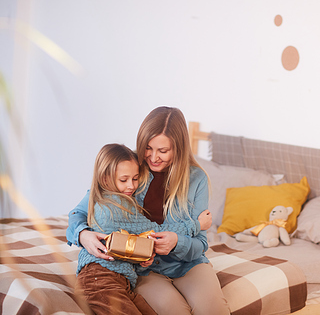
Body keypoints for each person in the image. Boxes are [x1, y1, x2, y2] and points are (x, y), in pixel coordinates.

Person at [67, 107, 230, 315]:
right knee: (175, 311)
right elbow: (81, 210)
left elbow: (201, 244)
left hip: (188, 265)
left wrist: (176, 242)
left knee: (213, 310)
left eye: (163, 151)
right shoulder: (129, 166)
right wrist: (83, 235)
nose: (153, 157)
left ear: (178, 148)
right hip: (144, 268)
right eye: (148, 148)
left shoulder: (197, 180)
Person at [75, 143, 211, 315]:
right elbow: (156, 230)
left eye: (135, 178)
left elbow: (123, 245)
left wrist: (139, 258)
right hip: (99, 279)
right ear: (105, 179)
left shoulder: (197, 179)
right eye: (124, 180)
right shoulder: (113, 208)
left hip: (121, 278)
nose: (131, 186)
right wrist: (197, 225)